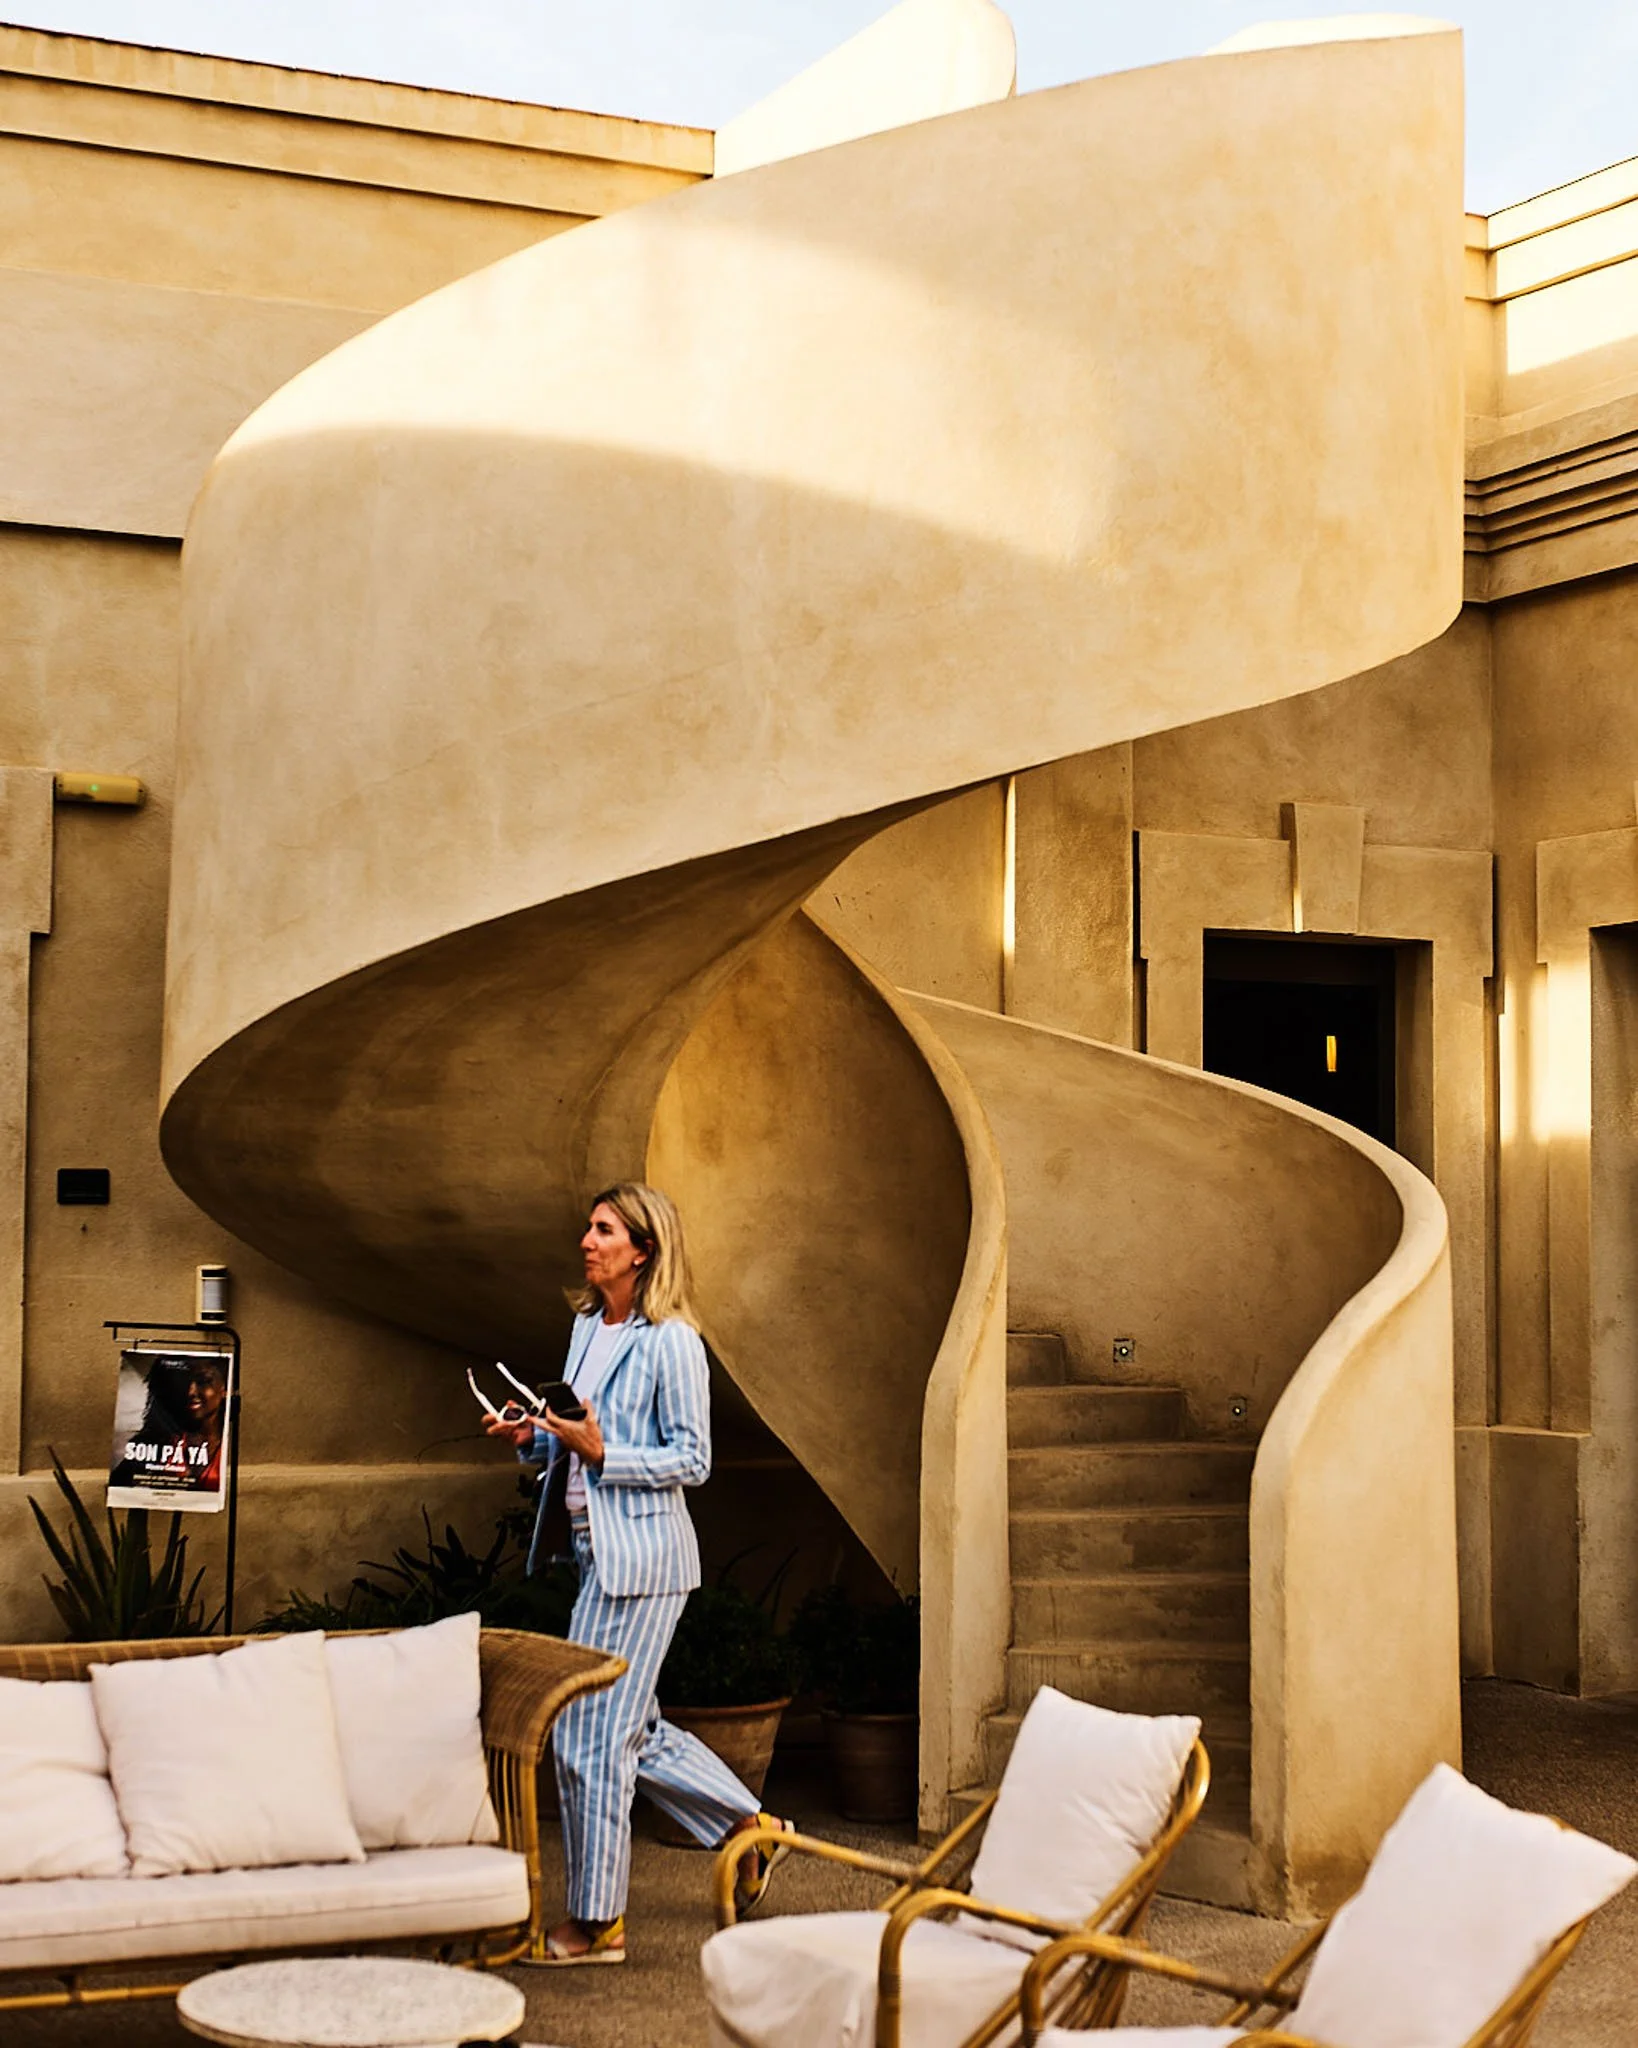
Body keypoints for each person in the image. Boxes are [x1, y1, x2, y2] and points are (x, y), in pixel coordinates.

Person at [486, 1180, 794, 1966]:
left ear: (642, 1250)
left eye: (603, 1231)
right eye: (589, 1230)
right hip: (595, 1557)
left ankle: (598, 1924)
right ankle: (746, 1826)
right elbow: (572, 1439)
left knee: (588, 1737)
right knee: (632, 1727)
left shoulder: (673, 1343)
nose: (587, 1242)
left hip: (645, 1567)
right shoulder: (587, 1327)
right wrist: (532, 1436)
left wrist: (601, 1454)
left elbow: (693, 1460)